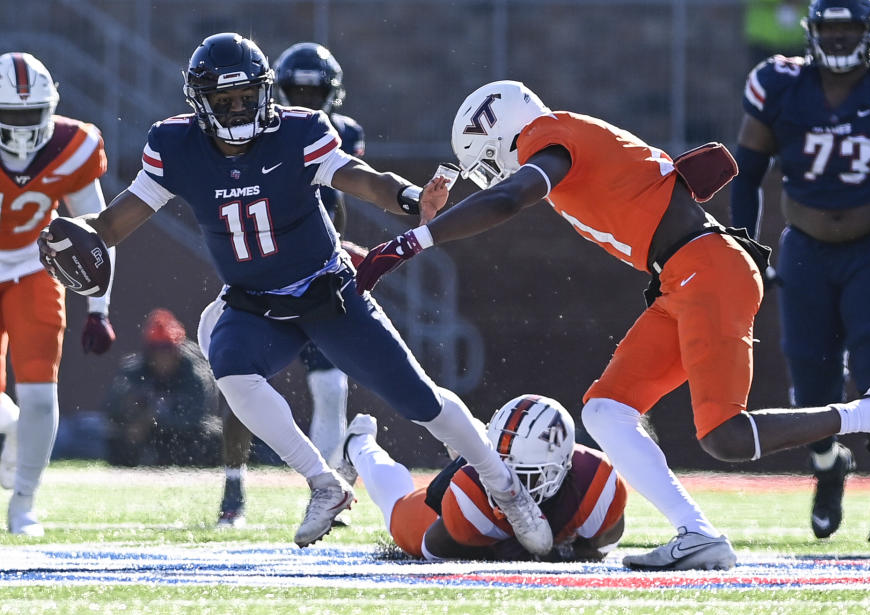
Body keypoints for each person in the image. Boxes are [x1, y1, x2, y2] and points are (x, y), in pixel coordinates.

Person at [354, 79, 870, 570]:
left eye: (488, 160)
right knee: (605, 409)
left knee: (726, 435)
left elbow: (510, 199)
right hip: (682, 277)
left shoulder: (550, 138)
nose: (494, 171)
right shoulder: (561, 136)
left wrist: (417, 239)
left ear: (500, 134)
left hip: (706, 269)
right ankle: (698, 533)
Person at [37, 33, 553, 554]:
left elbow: (361, 178)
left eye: (246, 97)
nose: (239, 109)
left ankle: (505, 487)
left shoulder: (298, 131)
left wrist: (412, 198)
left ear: (264, 92)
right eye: (225, 101)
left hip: (326, 292)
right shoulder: (177, 146)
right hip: (254, 301)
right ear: (201, 104)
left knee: (420, 399)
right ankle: (324, 483)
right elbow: (116, 219)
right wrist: (70, 233)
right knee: (232, 371)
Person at [729, 0, 870, 542]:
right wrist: (745, 244)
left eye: (847, 29)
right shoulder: (779, 84)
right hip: (805, 247)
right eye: (828, 29)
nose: (836, 40)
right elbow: (747, 174)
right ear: (811, 32)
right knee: (811, 378)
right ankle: (830, 464)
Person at [214, 41, 367, 528]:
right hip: (260, 273)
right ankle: (233, 488)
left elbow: (338, 201)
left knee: (330, 385)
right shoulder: (251, 133)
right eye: (295, 89)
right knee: (238, 378)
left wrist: (340, 252)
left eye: (312, 90)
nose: (303, 98)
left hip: (317, 274)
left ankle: (328, 491)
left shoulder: (338, 134)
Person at [0, 52, 116, 536]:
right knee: (18, 411)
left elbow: (100, 231)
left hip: (34, 269)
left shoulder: (73, 145)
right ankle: (11, 429)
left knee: (42, 399)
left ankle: (23, 501)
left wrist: (99, 308)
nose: (25, 128)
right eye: (14, 115)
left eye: (34, 114)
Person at [342, 394, 626, 561]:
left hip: (491, 461)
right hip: (478, 468)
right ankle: (359, 444)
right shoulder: (472, 496)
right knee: (399, 515)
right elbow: (435, 550)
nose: (507, 484)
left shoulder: (597, 485)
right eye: (506, 470)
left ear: (559, 468)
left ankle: (470, 437)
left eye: (522, 475)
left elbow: (598, 551)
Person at [104, 308, 220, 467]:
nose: (162, 355)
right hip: (147, 435)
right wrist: (130, 415)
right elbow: (111, 408)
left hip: (183, 435)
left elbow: (195, 415)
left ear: (177, 350)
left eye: (167, 348)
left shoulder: (194, 372)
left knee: (212, 436)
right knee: (115, 438)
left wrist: (155, 421)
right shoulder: (134, 372)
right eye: (156, 349)